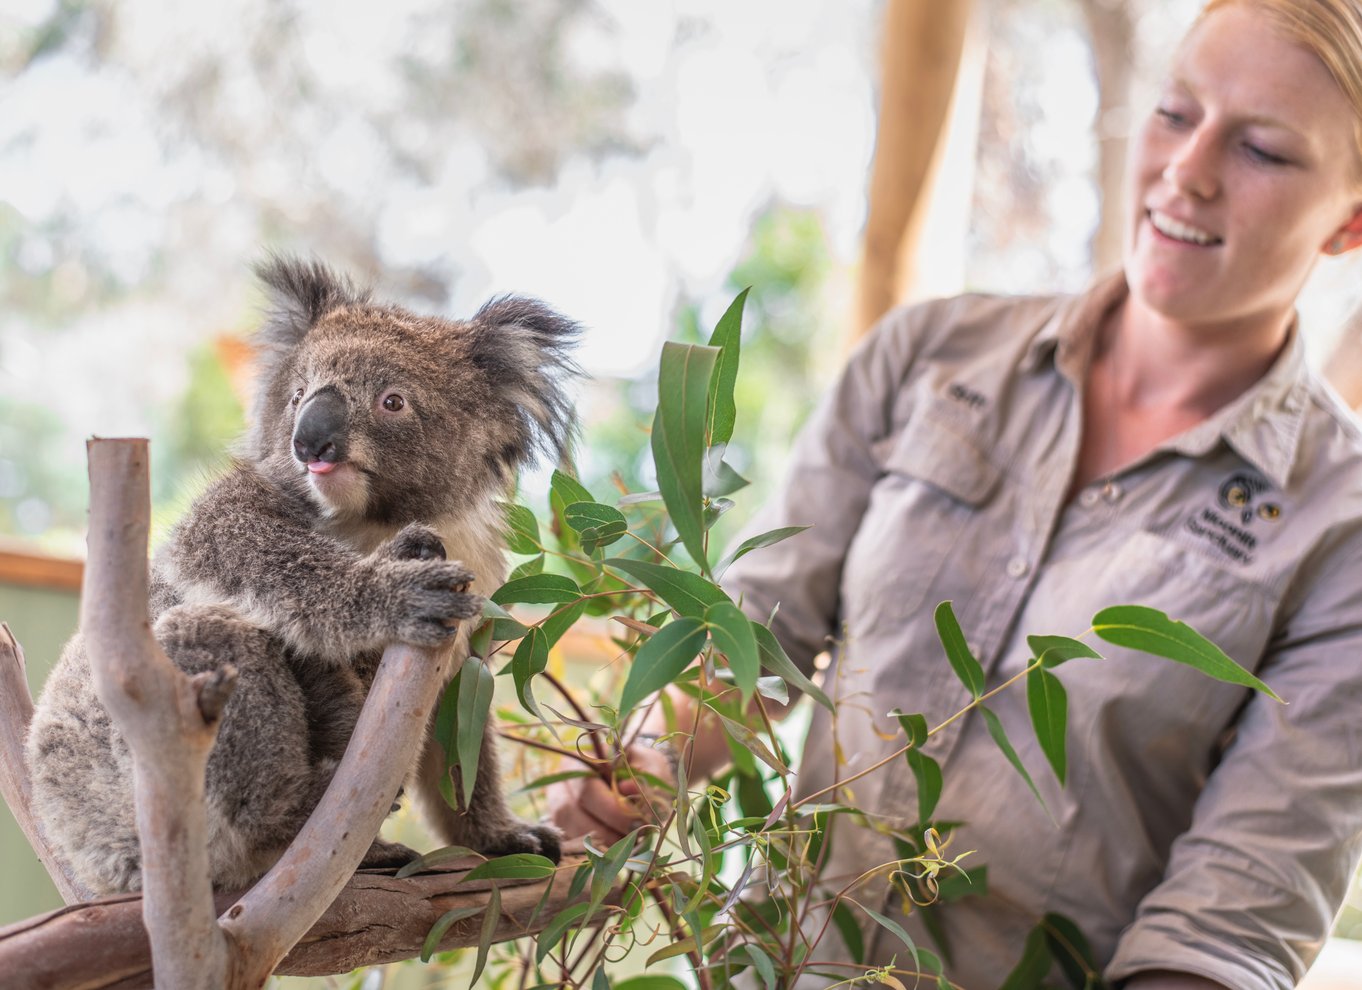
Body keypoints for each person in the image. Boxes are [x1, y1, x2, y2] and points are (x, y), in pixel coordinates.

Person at [549, 1, 1362, 986]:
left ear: (1350, 218)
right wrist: (644, 767)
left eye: (1263, 151)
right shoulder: (930, 357)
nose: (1188, 171)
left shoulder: (1337, 525)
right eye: (1176, 113)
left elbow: (1231, 922)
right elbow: (756, 640)